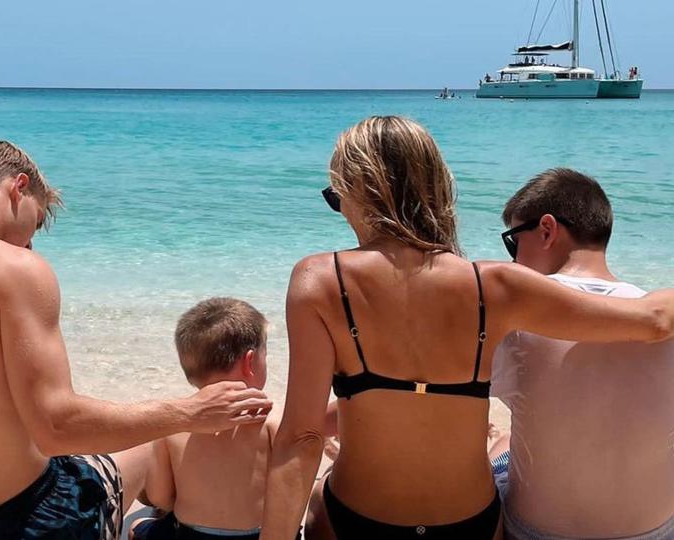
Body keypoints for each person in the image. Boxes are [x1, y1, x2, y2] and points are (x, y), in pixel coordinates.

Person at [258, 116, 674, 540]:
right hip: (470, 525)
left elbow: (303, 437)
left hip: (358, 520)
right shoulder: (495, 286)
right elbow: (651, 322)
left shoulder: (319, 279)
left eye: (336, 197)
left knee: (319, 501)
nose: (341, 210)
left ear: (360, 190)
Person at [0, 139, 273, 540]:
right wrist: (188, 412)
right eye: (36, 221)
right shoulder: (15, 268)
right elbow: (57, 428)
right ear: (18, 187)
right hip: (26, 517)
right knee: (148, 446)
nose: (30, 241)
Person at [492, 168, 674, 539]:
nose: (512, 261)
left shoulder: (516, 320)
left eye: (513, 242)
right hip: (654, 533)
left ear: (546, 230)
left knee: (497, 444)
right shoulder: (660, 314)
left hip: (535, 533)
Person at [130, 298, 335, 540]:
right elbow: (289, 490)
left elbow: (160, 496)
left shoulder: (176, 424)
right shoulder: (271, 424)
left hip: (189, 535)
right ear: (250, 362)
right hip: (261, 535)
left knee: (138, 525)